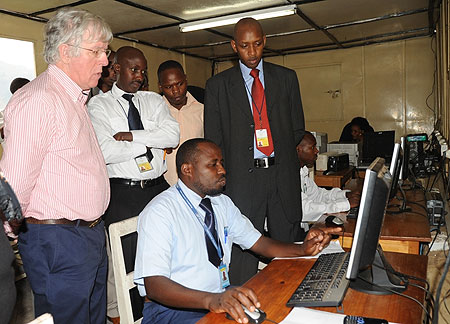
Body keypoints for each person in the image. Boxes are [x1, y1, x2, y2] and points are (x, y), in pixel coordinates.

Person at [134, 138, 340, 324]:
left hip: (217, 295)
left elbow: (259, 243)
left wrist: (302, 249)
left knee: (280, 307)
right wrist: (211, 300)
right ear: (187, 170)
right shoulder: (160, 212)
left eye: (221, 163)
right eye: (212, 165)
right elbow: (154, 286)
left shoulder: (221, 203)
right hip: (171, 311)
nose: (222, 170)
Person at [0, 8, 112, 324]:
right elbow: (14, 184)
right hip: (58, 242)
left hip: (86, 235)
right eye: (97, 51)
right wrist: (14, 235)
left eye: (105, 51)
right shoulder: (38, 100)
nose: (105, 61)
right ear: (65, 51)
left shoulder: (74, 99)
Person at [204, 18, 305, 285]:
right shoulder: (217, 86)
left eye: (258, 44)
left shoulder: (287, 79)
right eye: (245, 46)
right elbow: (214, 140)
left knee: (288, 250)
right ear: (233, 46)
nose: (252, 52)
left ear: (265, 42)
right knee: (243, 255)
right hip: (243, 181)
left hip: (282, 174)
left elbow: (297, 129)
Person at [88, 46, 179, 322]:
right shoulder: (98, 105)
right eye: (134, 69)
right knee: (130, 265)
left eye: (143, 70)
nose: (140, 76)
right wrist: (148, 140)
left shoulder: (153, 100)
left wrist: (129, 136)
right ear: (116, 69)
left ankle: (171, 312)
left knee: (168, 255)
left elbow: (172, 137)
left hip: (159, 188)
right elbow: (105, 151)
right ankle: (137, 317)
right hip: (124, 193)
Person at [296, 132, 360, 225]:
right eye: (312, 147)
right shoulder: (288, 177)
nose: (317, 151)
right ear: (298, 150)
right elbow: (305, 211)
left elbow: (318, 195)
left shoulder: (303, 171)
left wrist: (345, 195)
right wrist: (345, 204)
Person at [157, 60, 204, 186]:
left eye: (180, 84)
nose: (176, 90)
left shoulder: (202, 110)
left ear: (186, 79)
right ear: (160, 87)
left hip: (198, 184)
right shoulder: (153, 113)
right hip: (164, 185)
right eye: (168, 87)